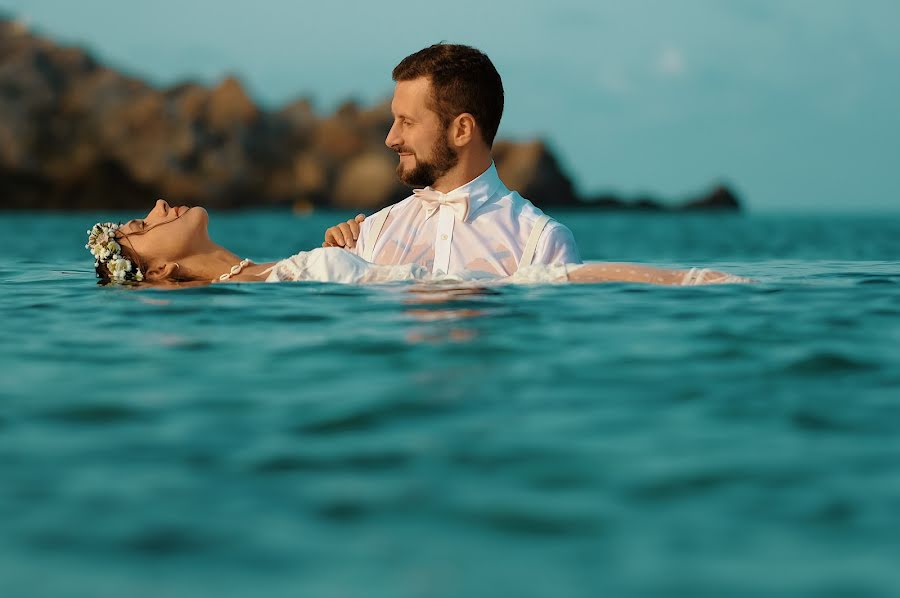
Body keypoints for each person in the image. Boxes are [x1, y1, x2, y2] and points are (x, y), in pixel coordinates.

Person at [322, 43, 581, 277]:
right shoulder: (370, 234)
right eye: (394, 120)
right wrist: (335, 260)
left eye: (407, 122)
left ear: (462, 130)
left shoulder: (543, 243)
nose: (391, 139)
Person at [86, 200, 750, 286]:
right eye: (140, 227)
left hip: (448, 292)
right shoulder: (259, 287)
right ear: (163, 267)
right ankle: (690, 280)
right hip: (465, 293)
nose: (156, 207)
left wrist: (354, 243)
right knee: (549, 281)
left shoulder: (267, 276)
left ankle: (690, 281)